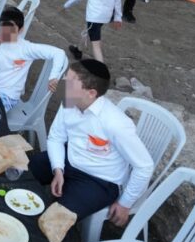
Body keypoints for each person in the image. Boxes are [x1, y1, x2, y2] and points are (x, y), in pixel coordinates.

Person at [31, 59, 154, 223]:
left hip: (100, 181)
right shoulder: (69, 99)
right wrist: (58, 169)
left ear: (91, 93)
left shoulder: (115, 123)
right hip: (71, 158)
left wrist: (125, 203)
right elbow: (56, 138)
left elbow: (144, 166)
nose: (64, 84)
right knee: (22, 171)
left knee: (54, 221)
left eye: (71, 82)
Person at [0, 7, 68, 111]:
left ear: (21, 30)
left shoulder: (26, 48)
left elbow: (59, 53)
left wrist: (53, 76)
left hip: (7, 96)